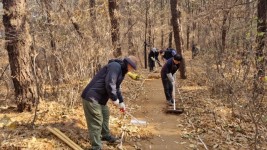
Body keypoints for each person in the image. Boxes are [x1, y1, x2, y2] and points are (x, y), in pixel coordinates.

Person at [81, 55, 138, 150]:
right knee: (96, 121)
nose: (131, 70)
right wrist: (115, 99)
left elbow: (117, 88)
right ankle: (96, 146)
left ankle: (105, 135)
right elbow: (110, 83)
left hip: (100, 100)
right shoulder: (115, 66)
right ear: (127, 64)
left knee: (105, 113)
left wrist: (121, 102)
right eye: (131, 67)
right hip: (91, 97)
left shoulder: (122, 72)